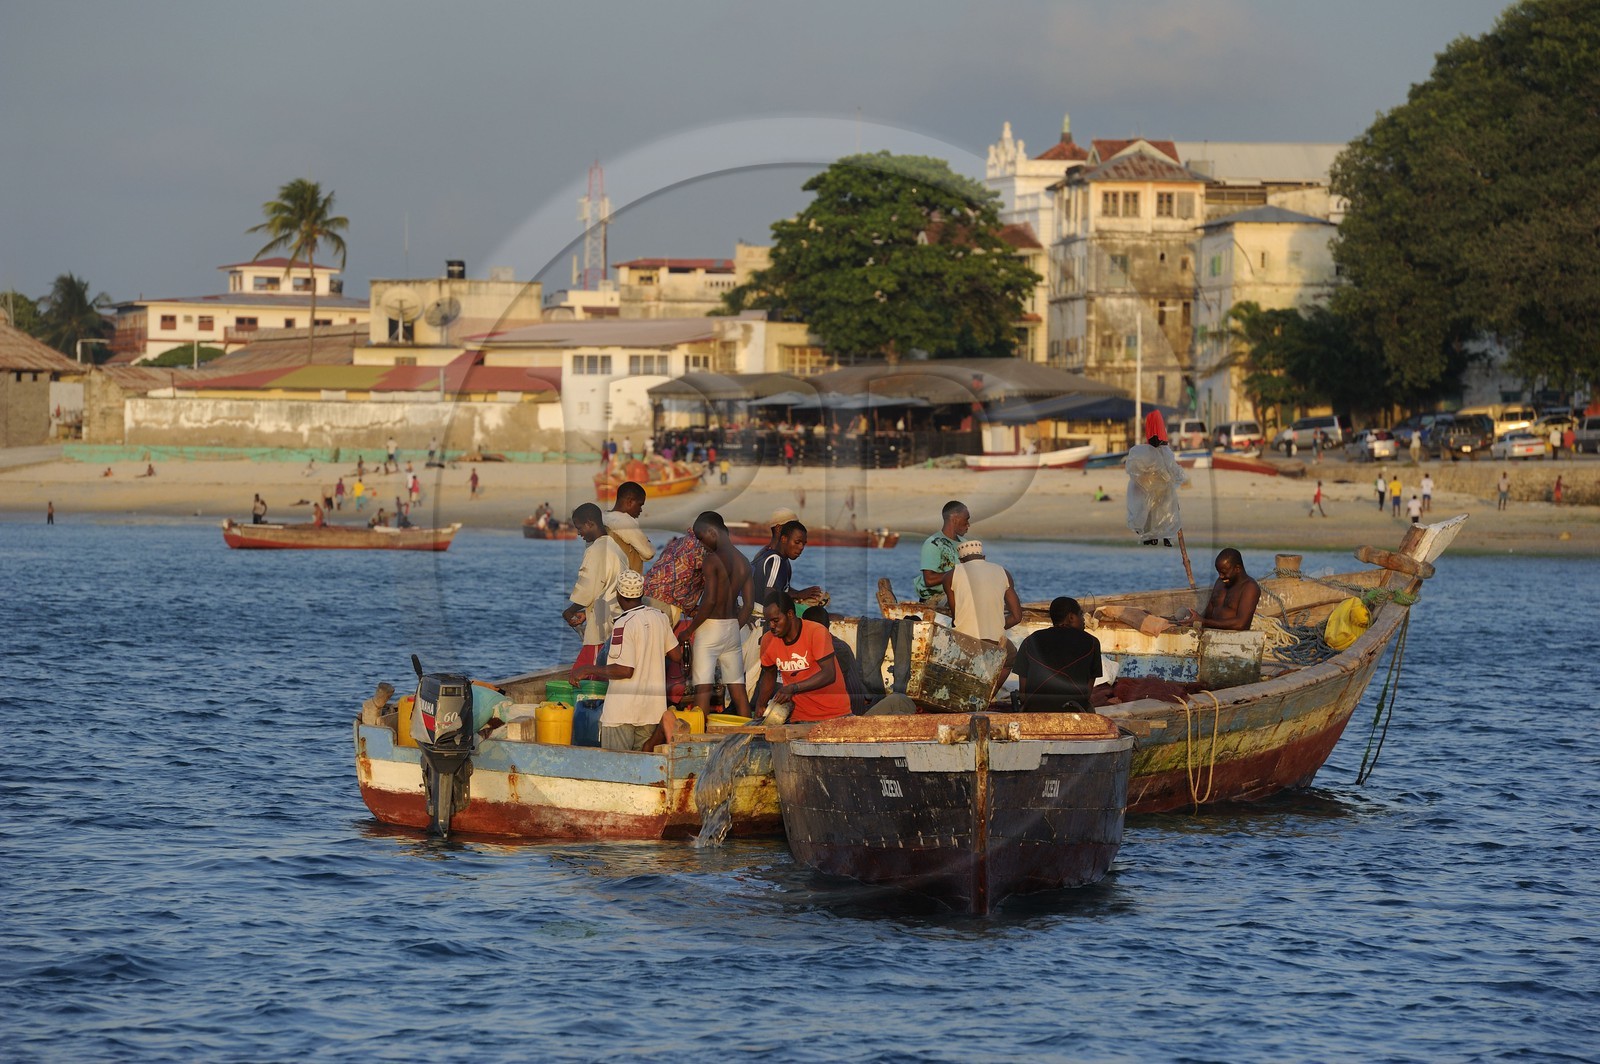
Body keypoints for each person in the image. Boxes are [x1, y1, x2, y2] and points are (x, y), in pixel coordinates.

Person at [572, 569, 681, 752]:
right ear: (642, 593)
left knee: (617, 764)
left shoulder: (624, 623)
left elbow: (624, 670)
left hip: (622, 711)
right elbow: (676, 655)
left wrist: (587, 669)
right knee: (643, 763)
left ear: (619, 594)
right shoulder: (660, 617)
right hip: (652, 710)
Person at [680, 511, 754, 718]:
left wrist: (689, 630)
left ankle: (699, 739)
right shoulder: (744, 562)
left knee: (702, 689)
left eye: (702, 538)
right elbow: (748, 605)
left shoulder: (712, 561)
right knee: (738, 688)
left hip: (710, 629)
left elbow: (710, 600)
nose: (702, 544)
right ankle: (748, 734)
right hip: (732, 627)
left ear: (712, 531)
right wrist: (732, 628)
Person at [753, 591, 852, 722]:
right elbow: (769, 674)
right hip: (798, 717)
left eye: (776, 620)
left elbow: (829, 673)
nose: (771, 626)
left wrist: (793, 688)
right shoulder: (768, 640)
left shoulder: (816, 632)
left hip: (834, 714)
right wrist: (761, 705)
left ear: (790, 614)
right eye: (768, 621)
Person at [562, 502, 629, 671]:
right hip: (617, 615)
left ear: (590, 524)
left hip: (603, 622)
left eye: (579, 528)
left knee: (584, 672)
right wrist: (586, 612)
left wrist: (570, 610)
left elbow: (588, 588)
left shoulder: (596, 550)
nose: (578, 533)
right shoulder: (616, 548)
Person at [1014, 596, 1102, 712]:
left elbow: (1023, 693)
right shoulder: (1092, 642)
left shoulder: (1030, 640)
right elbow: (1087, 693)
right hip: (1075, 709)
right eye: (1081, 615)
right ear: (1071, 617)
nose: (1084, 620)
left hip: (1035, 710)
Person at [1125, 411, 1186, 546]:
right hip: (1161, 489)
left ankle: (1156, 537)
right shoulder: (1162, 453)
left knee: (1159, 512)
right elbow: (1175, 473)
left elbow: (1135, 470)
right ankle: (1160, 537)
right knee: (1162, 511)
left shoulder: (1144, 453)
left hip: (1158, 490)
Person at [948, 539, 1023, 644]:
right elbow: (1017, 617)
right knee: (1013, 655)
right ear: (983, 557)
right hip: (995, 640)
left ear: (961, 561)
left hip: (964, 638)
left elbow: (956, 616)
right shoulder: (1004, 572)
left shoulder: (951, 574)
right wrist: (995, 627)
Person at [803, 605, 871, 715]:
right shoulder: (839, 644)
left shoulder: (834, 648)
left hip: (848, 711)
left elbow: (832, 684)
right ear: (828, 625)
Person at [752, 511, 822, 606]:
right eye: (797, 542)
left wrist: (803, 595)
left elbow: (783, 588)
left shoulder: (783, 558)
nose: (801, 547)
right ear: (780, 530)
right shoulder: (774, 559)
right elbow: (770, 595)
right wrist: (798, 594)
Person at [1188, 548, 1260, 631]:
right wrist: (1193, 617)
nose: (1221, 576)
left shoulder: (1250, 587)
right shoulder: (1220, 582)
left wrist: (1204, 622)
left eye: (1224, 572)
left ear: (1237, 569)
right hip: (1210, 632)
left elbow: (1241, 624)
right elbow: (1208, 613)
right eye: (1219, 573)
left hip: (1235, 638)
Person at [915, 499, 969, 606]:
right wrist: (958, 573)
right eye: (966, 520)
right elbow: (929, 580)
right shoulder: (933, 543)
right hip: (936, 599)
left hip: (961, 594)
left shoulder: (966, 544)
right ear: (955, 519)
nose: (968, 524)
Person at [607, 481, 656, 574]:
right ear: (629, 502)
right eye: (640, 505)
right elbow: (649, 553)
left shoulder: (603, 518)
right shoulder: (624, 521)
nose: (641, 510)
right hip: (626, 584)